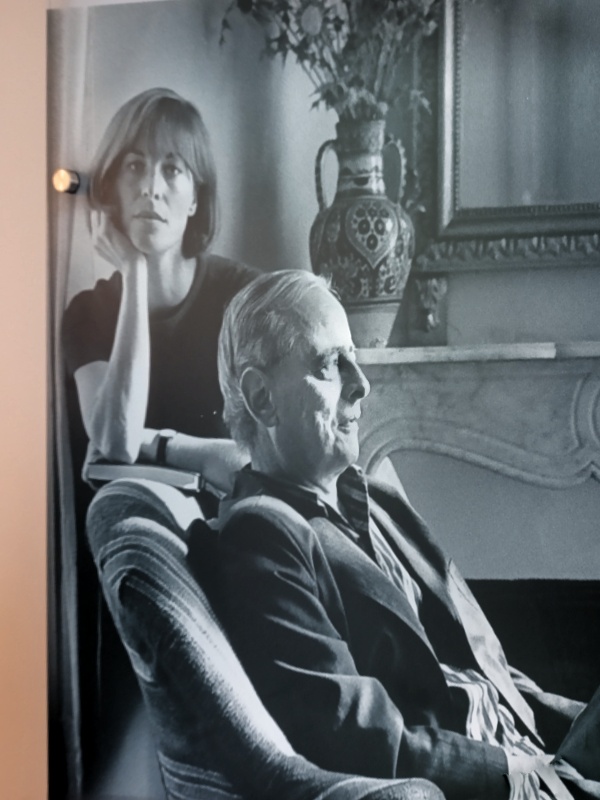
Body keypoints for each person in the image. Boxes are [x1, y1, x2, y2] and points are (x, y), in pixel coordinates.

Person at [215, 269, 600, 800]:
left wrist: (577, 733)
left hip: (538, 757)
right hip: (484, 786)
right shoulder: (261, 537)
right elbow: (354, 733)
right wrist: (523, 774)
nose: (362, 383)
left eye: (354, 357)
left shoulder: (379, 500)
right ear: (262, 398)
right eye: (331, 363)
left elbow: (485, 670)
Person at [62, 87, 258, 504]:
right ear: (111, 190)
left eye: (172, 169)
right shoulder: (85, 313)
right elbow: (117, 442)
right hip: (129, 527)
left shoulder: (244, 296)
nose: (151, 187)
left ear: (195, 199)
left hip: (233, 523)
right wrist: (134, 271)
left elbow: (262, 459)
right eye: (135, 166)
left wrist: (155, 442)